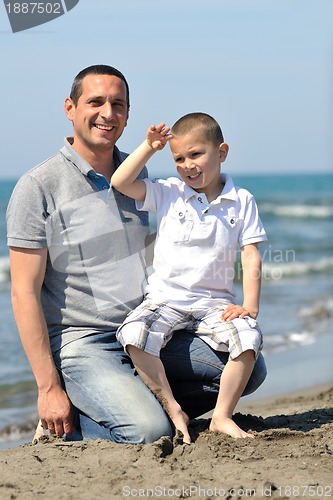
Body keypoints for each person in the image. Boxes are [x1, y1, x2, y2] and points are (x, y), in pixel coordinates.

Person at [6, 65, 267, 444]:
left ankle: (134, 405)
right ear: (70, 107)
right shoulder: (38, 187)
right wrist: (48, 388)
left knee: (250, 368)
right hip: (83, 341)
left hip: (149, 326)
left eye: (118, 104)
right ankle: (81, 415)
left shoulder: (142, 177)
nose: (107, 113)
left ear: (128, 114)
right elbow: (23, 293)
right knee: (148, 431)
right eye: (95, 102)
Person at [112, 114, 267, 442]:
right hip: (166, 299)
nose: (187, 165)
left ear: (221, 152)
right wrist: (149, 148)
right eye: (179, 158)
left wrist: (249, 306)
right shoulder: (168, 192)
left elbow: (250, 253)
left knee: (249, 340)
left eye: (196, 154)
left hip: (215, 304)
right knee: (134, 332)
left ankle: (221, 416)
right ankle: (172, 408)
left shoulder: (242, 201)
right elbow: (120, 182)